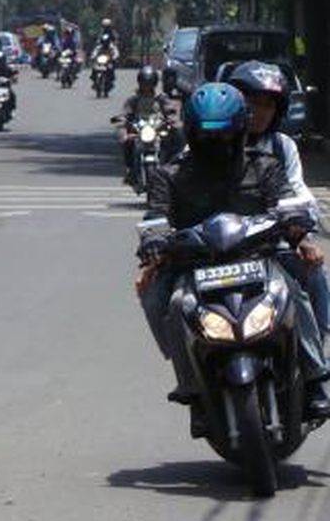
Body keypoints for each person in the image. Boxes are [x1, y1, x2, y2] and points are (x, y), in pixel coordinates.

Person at [136, 83, 330, 426]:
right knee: (168, 303)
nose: (217, 144)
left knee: (296, 294)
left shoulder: (265, 165)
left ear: (240, 131)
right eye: (207, 137)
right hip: (195, 265)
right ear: (192, 134)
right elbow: (155, 217)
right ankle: (192, 386)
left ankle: (315, 379)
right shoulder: (170, 174)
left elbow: (286, 202)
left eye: (224, 136)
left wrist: (297, 226)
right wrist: (154, 244)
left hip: (260, 258)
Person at [227, 59, 330, 335]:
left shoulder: (282, 147)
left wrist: (304, 235)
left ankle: (317, 362)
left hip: (272, 246)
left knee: (314, 278)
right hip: (217, 251)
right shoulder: (207, 141)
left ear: (277, 111)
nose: (258, 112)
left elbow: (297, 191)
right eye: (251, 103)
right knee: (172, 297)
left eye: (267, 105)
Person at [119, 65, 174, 184]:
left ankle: (171, 167)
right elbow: (125, 114)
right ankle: (130, 169)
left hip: (157, 127)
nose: (147, 86)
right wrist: (124, 128)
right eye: (144, 83)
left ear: (154, 83)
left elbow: (170, 111)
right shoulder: (134, 99)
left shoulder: (161, 97)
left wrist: (170, 120)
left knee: (173, 139)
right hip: (140, 128)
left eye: (149, 83)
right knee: (127, 143)